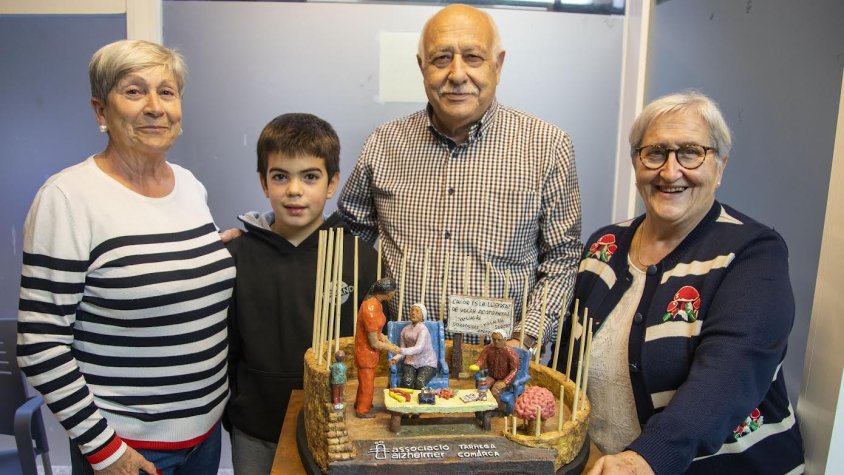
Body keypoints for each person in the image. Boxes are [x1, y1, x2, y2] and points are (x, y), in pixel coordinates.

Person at [16, 39, 236, 474]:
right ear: (101, 110)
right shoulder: (68, 198)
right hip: (129, 448)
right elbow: (40, 342)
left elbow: (161, 271)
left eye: (167, 92)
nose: (155, 107)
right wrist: (105, 451)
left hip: (206, 436)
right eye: (134, 91)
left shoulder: (189, 185)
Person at [555, 92, 804, 474]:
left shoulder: (752, 254)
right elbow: (567, 363)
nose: (670, 172)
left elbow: (727, 376)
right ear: (636, 162)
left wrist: (646, 458)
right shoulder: (604, 245)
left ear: (719, 166)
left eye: (691, 153)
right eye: (655, 153)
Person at [338, 4, 581, 352]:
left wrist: (523, 339)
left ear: (498, 65)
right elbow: (348, 238)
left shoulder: (547, 147)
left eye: (472, 57)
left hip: (498, 363)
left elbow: (562, 258)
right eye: (441, 59)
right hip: (402, 359)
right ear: (422, 67)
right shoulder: (384, 144)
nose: (456, 74)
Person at [225, 113, 378, 473]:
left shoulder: (361, 259)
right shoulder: (236, 256)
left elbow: (370, 347)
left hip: (338, 426)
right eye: (280, 176)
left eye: (310, 177)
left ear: (332, 183)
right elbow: (226, 352)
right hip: (256, 429)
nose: (294, 190)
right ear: (264, 182)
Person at [355, 278, 402, 418]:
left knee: (364, 381)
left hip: (370, 353)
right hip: (366, 352)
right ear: (388, 293)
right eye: (393, 292)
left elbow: (376, 332)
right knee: (368, 384)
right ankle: (362, 410)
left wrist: (385, 338)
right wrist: (391, 348)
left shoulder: (377, 304)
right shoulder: (370, 308)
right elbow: (373, 342)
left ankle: (359, 403)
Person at [390, 303, 438, 389]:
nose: (413, 313)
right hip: (411, 363)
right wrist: (395, 358)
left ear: (422, 316)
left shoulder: (423, 330)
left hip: (427, 363)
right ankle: (406, 397)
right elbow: (403, 349)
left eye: (417, 311)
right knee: (407, 382)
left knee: (420, 382)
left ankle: (420, 397)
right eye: (412, 310)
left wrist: (400, 350)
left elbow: (418, 349)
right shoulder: (405, 330)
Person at [476, 329, 519, 401]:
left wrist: (505, 382)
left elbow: (514, 370)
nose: (496, 342)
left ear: (505, 340)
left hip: (503, 378)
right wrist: (477, 364)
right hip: (491, 376)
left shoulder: (510, 352)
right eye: (494, 339)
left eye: (499, 340)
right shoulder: (488, 349)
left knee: (495, 391)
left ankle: (495, 407)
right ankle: (482, 405)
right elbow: (482, 359)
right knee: (482, 388)